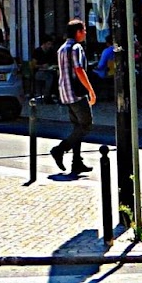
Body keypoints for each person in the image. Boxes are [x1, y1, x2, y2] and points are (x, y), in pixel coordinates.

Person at [50, 18, 95, 176]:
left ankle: (77, 162)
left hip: (65, 92)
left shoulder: (62, 48)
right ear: (77, 32)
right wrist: (90, 90)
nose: (85, 33)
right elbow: (79, 70)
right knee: (86, 125)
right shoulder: (76, 48)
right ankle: (60, 149)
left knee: (77, 127)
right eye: (83, 30)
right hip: (76, 93)